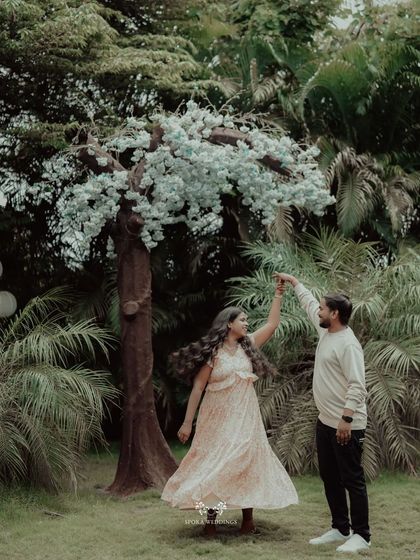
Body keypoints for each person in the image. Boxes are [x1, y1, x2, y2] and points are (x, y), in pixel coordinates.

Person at [161, 279, 298, 536]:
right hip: (216, 420)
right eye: (243, 320)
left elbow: (272, 324)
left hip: (246, 418)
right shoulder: (214, 354)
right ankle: (210, 522)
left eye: (246, 320)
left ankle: (248, 521)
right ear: (228, 324)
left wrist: (278, 295)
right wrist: (187, 423)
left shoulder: (249, 347)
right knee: (216, 464)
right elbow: (199, 388)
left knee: (246, 461)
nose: (247, 324)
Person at [273, 272, 371, 553]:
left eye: (323, 308)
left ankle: (362, 535)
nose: (318, 310)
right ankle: (340, 528)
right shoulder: (326, 332)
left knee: (352, 478)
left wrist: (346, 419)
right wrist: (294, 283)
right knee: (329, 476)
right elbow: (307, 303)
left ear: (335, 313)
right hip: (325, 422)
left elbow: (357, 386)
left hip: (346, 424)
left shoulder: (348, 345)